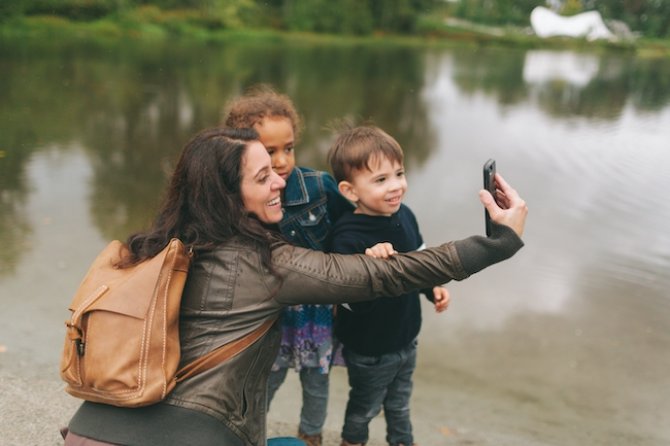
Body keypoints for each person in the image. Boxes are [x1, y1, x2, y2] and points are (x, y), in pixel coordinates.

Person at [62, 126, 527, 446]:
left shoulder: (151, 246)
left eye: (277, 169)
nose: (281, 182)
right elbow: (386, 275)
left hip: (87, 429)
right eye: (263, 176)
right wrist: (498, 242)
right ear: (227, 195)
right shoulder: (264, 265)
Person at [223, 86, 353, 446]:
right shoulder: (239, 197)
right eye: (268, 151)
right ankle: (248, 433)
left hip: (317, 308)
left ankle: (311, 436)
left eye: (288, 148)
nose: (281, 161)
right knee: (265, 378)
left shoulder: (318, 187)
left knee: (317, 379)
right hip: (271, 313)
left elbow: (353, 227)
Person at [327, 125, 454, 446]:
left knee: (399, 405)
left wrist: (432, 285)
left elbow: (419, 258)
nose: (396, 186)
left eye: (399, 173)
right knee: (364, 409)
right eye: (381, 180)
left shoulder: (405, 215)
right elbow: (347, 302)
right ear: (350, 191)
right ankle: (351, 442)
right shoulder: (348, 236)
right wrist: (372, 268)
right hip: (369, 346)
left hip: (406, 337)